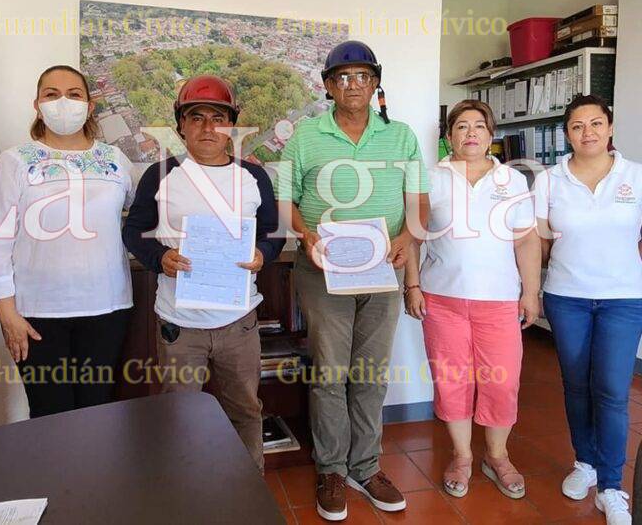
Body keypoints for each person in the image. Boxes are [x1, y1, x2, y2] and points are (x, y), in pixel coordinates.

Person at [278, 40, 429, 520]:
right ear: (328, 86)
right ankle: (331, 469)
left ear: (375, 82)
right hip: (325, 271)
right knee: (330, 373)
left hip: (382, 269)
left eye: (363, 76)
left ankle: (365, 467)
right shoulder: (305, 136)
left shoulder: (401, 136)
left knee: (370, 372)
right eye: (343, 77)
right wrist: (304, 236)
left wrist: (407, 235)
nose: (354, 85)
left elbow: (417, 199)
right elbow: (287, 203)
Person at [122, 74, 284, 473]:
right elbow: (132, 230)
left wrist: (263, 254)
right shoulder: (160, 175)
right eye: (197, 117)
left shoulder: (254, 176)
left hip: (238, 321)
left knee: (246, 411)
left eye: (218, 117)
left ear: (231, 126)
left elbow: (273, 233)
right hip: (180, 323)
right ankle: (188, 496)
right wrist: (160, 257)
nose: (208, 127)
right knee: (180, 416)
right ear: (181, 126)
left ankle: (249, 493)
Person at [0, 65, 135, 418]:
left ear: (90, 106)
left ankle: (93, 476)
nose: (63, 102)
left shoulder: (115, 161)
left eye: (74, 94)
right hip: (37, 314)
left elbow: (143, 215)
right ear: (37, 104)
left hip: (107, 308)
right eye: (52, 94)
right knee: (51, 415)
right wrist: (6, 312)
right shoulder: (15, 161)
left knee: (97, 412)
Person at [403, 99, 540, 500]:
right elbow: (411, 237)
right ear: (449, 137)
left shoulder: (512, 181)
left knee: (502, 383)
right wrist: (412, 286)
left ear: (491, 135)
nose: (471, 134)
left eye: (479, 126)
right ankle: (462, 456)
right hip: (442, 299)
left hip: (498, 302)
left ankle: (497, 456)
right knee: (452, 381)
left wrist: (530, 292)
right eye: (461, 127)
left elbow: (526, 239)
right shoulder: (431, 178)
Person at [534, 94, 642, 525]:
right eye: (578, 126)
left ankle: (613, 486)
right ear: (567, 134)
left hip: (624, 299)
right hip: (567, 296)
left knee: (613, 391)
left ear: (610, 128)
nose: (588, 133)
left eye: (596, 124)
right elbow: (538, 242)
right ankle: (586, 463)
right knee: (576, 385)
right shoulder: (549, 180)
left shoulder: (635, 175)